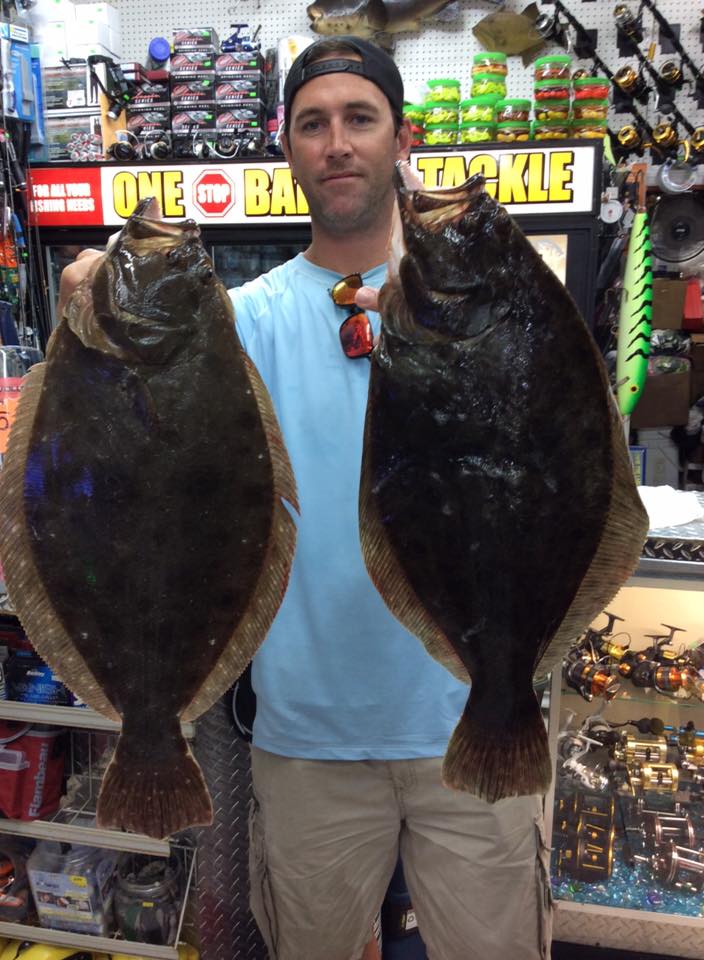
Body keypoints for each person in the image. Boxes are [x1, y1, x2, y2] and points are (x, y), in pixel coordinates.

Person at [58, 37, 553, 960]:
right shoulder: (242, 320)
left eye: (359, 119)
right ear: (287, 148)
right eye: (313, 123)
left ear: (400, 139)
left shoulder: (485, 304)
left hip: (475, 717)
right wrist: (89, 287)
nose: (336, 143)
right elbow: (131, 386)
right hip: (306, 745)